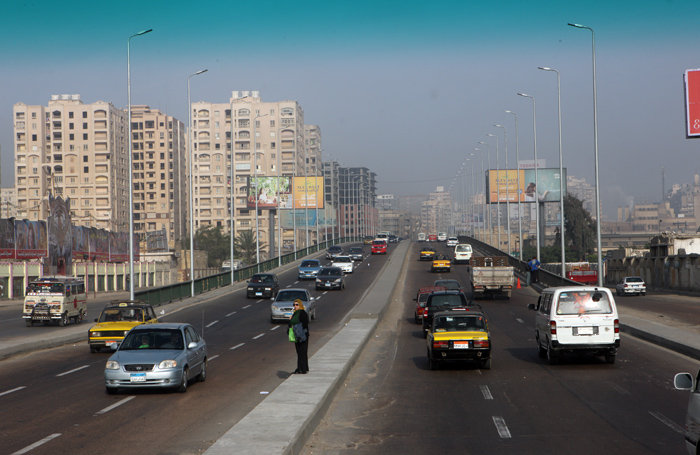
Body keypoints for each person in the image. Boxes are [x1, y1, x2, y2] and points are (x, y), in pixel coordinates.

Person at [289, 299, 309, 374]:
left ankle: (303, 369)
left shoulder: (303, 313)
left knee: (303, 351)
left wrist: (302, 332)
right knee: (299, 352)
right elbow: (291, 324)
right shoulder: (295, 313)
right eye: (294, 305)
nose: (295, 306)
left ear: (300, 305)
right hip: (296, 335)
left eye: (297, 305)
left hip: (303, 335)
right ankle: (301, 367)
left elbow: (305, 324)